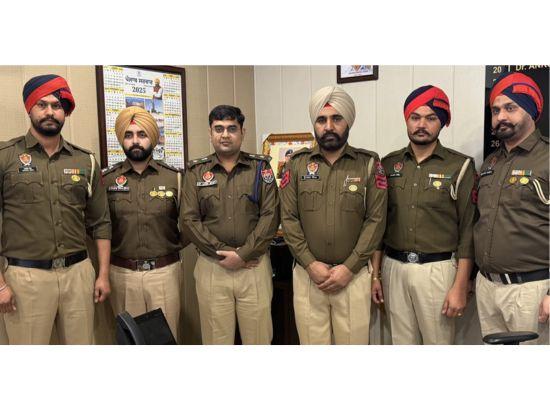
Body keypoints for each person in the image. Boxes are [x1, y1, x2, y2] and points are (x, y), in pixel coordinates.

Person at [0, 74, 111, 344]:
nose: (50, 112)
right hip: (25, 278)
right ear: (29, 108)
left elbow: (101, 222)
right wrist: (0, 284)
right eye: (42, 104)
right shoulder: (6, 156)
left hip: (78, 274)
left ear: (65, 112)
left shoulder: (85, 160)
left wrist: (103, 275)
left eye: (57, 105)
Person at [280, 86, 387, 344]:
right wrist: (310, 264)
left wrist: (349, 268)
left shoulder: (368, 163)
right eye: (321, 120)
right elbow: (289, 217)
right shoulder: (296, 164)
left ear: (348, 121)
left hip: (353, 278)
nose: (328, 126)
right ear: (314, 124)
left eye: (336, 118)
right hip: (308, 277)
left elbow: (375, 220)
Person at [371, 85, 477, 344]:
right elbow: (378, 224)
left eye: (431, 118)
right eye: (415, 117)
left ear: (442, 122)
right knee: (400, 343)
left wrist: (461, 283)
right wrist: (376, 274)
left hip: (438, 271)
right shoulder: (388, 164)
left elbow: (468, 230)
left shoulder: (460, 166)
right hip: (394, 268)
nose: (421, 125)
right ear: (406, 120)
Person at [181, 105, 279, 344]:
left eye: (232, 128)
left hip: (254, 266)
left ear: (242, 132)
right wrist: (224, 253)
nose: (225, 135)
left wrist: (243, 255)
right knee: (217, 341)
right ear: (210, 133)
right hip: (212, 267)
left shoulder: (260, 168)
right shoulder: (196, 171)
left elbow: (271, 215)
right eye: (219, 129)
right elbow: (189, 220)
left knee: (258, 340)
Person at [474, 72, 549, 344]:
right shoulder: (490, 163)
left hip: (532, 291)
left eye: (510, 108)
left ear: (531, 111)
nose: (501, 117)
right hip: (487, 287)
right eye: (495, 110)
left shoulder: (547, 158)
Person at [102, 106, 186, 340]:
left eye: (142, 134)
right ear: (122, 139)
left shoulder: (175, 177)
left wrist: (172, 246)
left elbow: (190, 223)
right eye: (129, 135)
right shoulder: (107, 179)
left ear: (153, 138)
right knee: (130, 341)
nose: (135, 141)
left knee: (166, 340)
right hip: (123, 275)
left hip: (164, 273)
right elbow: (97, 226)